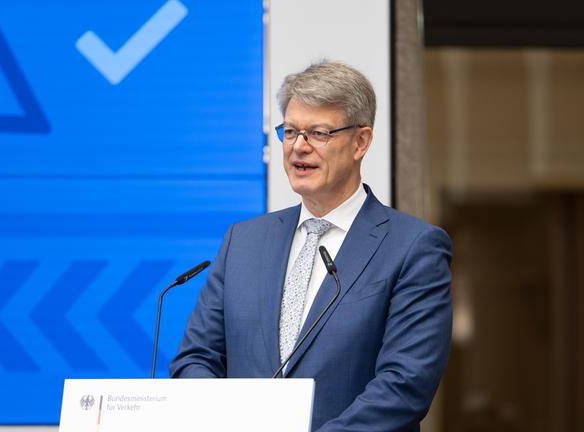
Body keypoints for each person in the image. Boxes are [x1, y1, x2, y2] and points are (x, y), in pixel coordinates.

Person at [170, 61, 453, 431]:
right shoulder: (244, 241)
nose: (299, 148)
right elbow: (195, 358)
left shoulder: (413, 247)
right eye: (290, 132)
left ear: (360, 141)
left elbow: (404, 385)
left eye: (318, 133)